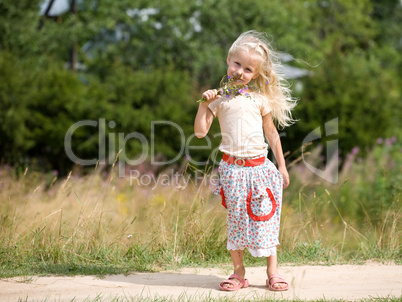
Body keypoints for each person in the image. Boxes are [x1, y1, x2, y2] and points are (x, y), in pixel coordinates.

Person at [194, 30, 297, 291]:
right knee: (237, 221)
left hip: (260, 168)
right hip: (233, 170)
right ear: (229, 60)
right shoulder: (218, 100)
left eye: (248, 69)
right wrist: (204, 105)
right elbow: (200, 132)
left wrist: (282, 166)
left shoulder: (259, 99)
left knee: (267, 218)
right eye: (237, 64)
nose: (240, 72)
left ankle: (272, 271)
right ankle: (239, 273)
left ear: (256, 75)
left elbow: (271, 133)